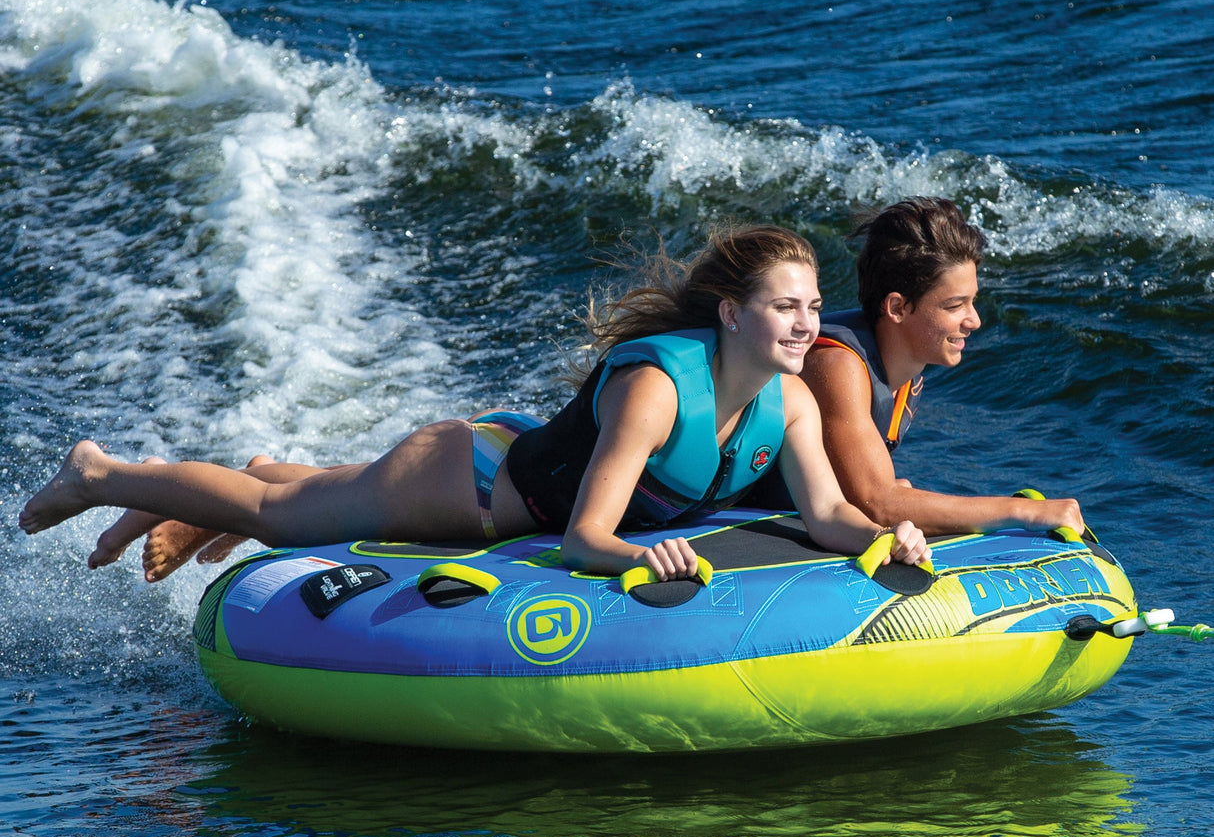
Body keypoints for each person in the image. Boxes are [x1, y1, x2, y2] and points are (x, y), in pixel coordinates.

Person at [19, 224, 931, 580]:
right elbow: (586, 538)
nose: (808, 324)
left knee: (296, 494)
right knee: (276, 515)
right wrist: (639, 563)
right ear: (732, 314)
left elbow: (829, 515)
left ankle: (215, 478)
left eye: (814, 307)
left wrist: (887, 537)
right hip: (477, 484)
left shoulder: (794, 401)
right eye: (785, 307)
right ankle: (101, 474)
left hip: (529, 459)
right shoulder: (657, 391)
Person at [752, 197, 1085, 538]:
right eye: (955, 305)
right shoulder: (838, 365)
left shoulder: (906, 369)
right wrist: (1024, 511)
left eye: (973, 301)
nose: (974, 320)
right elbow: (878, 504)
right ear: (897, 307)